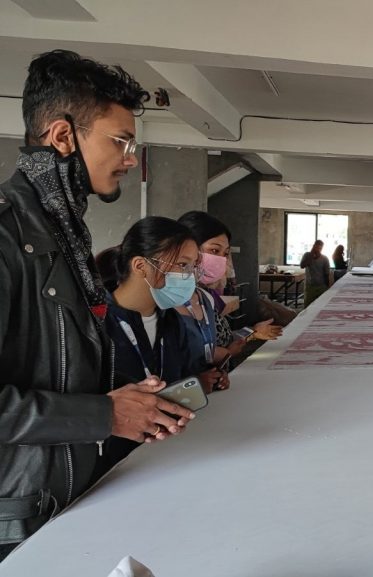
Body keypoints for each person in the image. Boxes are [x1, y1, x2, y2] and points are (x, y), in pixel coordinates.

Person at [0, 50, 193, 556]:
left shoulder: (65, 232)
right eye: (121, 141)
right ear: (63, 136)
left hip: (69, 490)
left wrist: (128, 400)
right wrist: (102, 417)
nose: (131, 158)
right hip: (19, 513)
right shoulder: (5, 237)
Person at [94, 218, 206, 470]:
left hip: (168, 458)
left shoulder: (174, 323)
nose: (188, 277)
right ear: (141, 266)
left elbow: (187, 375)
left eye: (191, 268)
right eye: (181, 265)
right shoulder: (93, 325)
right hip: (109, 469)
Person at [177, 211, 282, 362]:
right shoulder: (170, 300)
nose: (221, 260)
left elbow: (222, 340)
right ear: (188, 249)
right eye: (214, 250)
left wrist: (252, 333)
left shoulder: (204, 296)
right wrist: (224, 354)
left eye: (225, 254)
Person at [300, 239, 332, 306]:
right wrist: (311, 255)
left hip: (321, 286)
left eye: (320, 248)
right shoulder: (307, 255)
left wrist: (327, 287)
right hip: (310, 286)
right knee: (308, 306)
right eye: (317, 247)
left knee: (321, 305)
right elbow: (302, 265)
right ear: (313, 246)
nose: (318, 249)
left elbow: (326, 274)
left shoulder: (324, 258)